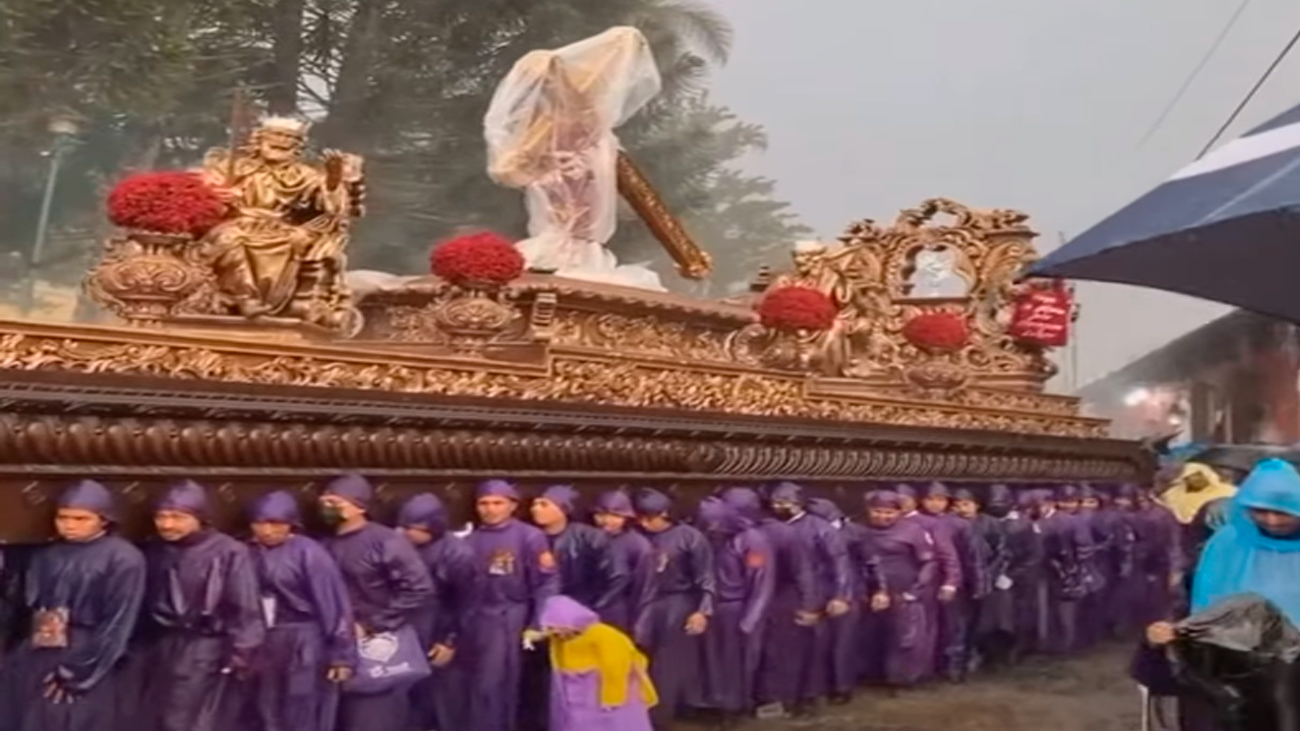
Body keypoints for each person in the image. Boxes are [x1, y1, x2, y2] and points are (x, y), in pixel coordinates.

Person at [1146, 458, 1300, 731]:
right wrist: (1172, 629)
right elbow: (1198, 600)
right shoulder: (1226, 544)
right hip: (1234, 667)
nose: (1271, 520)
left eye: (1282, 512)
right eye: (1260, 511)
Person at [0, 480, 145, 731]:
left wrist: (79, 673)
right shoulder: (46, 555)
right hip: (38, 650)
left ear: (103, 520)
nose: (70, 525)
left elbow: (118, 622)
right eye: (63, 517)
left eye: (81, 519)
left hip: (86, 652)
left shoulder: (123, 558)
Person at [142, 480, 265, 731]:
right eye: (161, 517)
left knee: (193, 717)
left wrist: (242, 652)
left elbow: (245, 606)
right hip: (162, 645)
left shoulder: (229, 551)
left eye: (177, 517)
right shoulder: (156, 550)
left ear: (200, 518)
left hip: (207, 646)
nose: (167, 524)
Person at [319, 474, 434, 731]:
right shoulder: (325, 543)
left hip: (376, 645)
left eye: (335, 502)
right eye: (324, 502)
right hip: (335, 644)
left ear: (359, 506)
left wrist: (373, 624)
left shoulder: (385, 541)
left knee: (371, 715)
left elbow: (419, 588)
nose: (327, 508)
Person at [248, 490, 357, 731]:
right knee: (267, 708)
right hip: (266, 639)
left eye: (276, 524)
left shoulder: (309, 553)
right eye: (260, 523)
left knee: (303, 707)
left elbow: (333, 605)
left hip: (305, 640)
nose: (267, 531)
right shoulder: (248, 552)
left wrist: (342, 655)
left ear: (291, 524)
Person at [465, 479, 561, 731]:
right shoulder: (470, 540)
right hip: (475, 619)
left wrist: (537, 622)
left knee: (496, 684)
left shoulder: (530, 537)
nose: (490, 509)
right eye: (484, 503)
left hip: (508, 617)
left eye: (498, 503)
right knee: (474, 685)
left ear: (512, 505)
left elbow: (547, 583)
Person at [719, 486, 816, 716]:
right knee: (763, 654)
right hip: (764, 598)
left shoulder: (778, 533)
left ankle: (780, 700)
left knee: (778, 653)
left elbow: (802, 571)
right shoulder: (742, 533)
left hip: (780, 599)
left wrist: (807, 604)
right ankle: (760, 699)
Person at [632, 488, 714, 726]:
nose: (645, 523)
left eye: (650, 518)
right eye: (641, 518)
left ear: (664, 514)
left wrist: (702, 611)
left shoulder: (689, 537)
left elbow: (706, 577)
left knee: (668, 663)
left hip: (677, 601)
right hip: (643, 602)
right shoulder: (639, 538)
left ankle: (661, 716)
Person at [398, 493, 479, 731]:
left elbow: (467, 603)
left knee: (442, 700)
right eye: (405, 527)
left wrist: (450, 640)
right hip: (406, 627)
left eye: (415, 529)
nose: (408, 533)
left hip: (439, 629)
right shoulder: (398, 545)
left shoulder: (458, 554)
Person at [770, 482, 852, 711]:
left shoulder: (820, 528)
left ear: (798, 504)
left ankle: (812, 694)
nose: (778, 507)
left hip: (818, 592)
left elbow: (840, 562)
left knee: (816, 646)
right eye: (775, 502)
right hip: (784, 594)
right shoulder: (774, 527)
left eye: (784, 502)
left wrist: (841, 595)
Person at [695, 497, 774, 728]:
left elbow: (761, 582)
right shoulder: (713, 538)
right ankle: (715, 702)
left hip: (736, 607)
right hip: (713, 605)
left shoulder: (752, 540)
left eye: (714, 524)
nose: (711, 529)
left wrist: (750, 619)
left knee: (734, 662)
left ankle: (734, 707)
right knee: (713, 659)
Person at [532, 595, 657, 731]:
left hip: (603, 693)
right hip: (577, 698)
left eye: (556, 628)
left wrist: (612, 698)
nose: (554, 632)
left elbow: (616, 668)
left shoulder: (604, 635)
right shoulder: (561, 639)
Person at [857, 490, 937, 687]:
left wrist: (916, 589)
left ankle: (904, 678)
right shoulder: (859, 530)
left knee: (905, 638)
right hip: (870, 589)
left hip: (905, 591)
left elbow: (929, 562)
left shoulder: (913, 531)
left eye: (889, 512)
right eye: (877, 511)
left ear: (899, 512)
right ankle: (873, 675)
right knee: (871, 635)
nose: (882, 516)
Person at [806, 496, 865, 702]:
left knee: (843, 643)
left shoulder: (854, 532)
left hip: (846, 592)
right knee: (819, 643)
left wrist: (846, 594)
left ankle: (842, 687)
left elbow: (867, 561)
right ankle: (819, 687)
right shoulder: (809, 532)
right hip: (818, 591)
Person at [591, 491, 657, 643]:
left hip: (621, 609)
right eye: (601, 514)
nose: (607, 520)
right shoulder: (587, 537)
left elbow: (645, 587)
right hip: (589, 606)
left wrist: (639, 623)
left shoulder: (638, 545)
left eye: (615, 515)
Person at [1159, 463, 1237, 526]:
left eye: (1198, 475)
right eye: (1190, 477)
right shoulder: (1172, 494)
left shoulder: (1228, 491)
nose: (1196, 479)